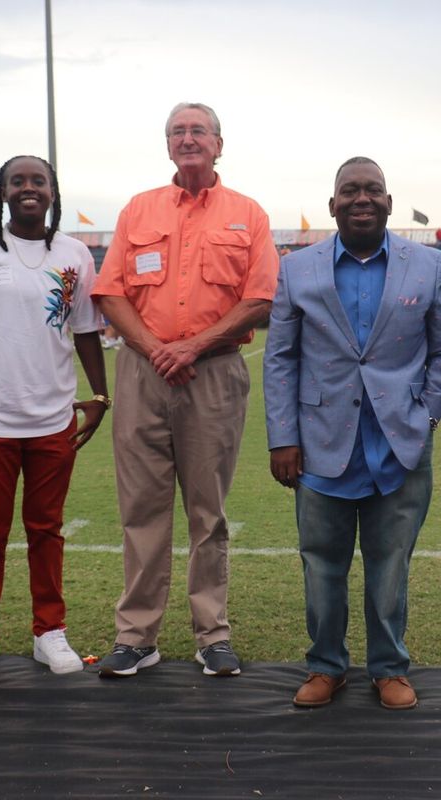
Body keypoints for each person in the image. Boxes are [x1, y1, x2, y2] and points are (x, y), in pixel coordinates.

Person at [263, 157, 441, 709]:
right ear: (333, 205)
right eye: (349, 191)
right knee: (321, 563)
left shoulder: (427, 264)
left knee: (390, 565)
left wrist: (425, 418)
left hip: (400, 443)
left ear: (389, 201)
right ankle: (326, 665)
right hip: (321, 442)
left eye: (372, 190)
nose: (361, 199)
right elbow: (280, 359)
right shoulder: (298, 268)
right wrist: (283, 437)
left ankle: (389, 667)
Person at [92, 102, 279, 678]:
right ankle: (137, 636)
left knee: (208, 511)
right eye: (178, 131)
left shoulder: (247, 214)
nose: (188, 138)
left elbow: (260, 297)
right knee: (141, 509)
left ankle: (211, 633)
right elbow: (112, 291)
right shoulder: (138, 209)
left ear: (220, 144)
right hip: (144, 373)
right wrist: (156, 348)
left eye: (199, 130)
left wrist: (191, 347)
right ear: (167, 145)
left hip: (214, 373)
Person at [0, 155, 109, 685]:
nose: (28, 188)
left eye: (38, 180)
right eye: (18, 181)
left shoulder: (74, 252)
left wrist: (99, 394)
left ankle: (49, 630)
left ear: (53, 191)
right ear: (4, 192)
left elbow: (85, 330)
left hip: (53, 417)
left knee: (46, 530)